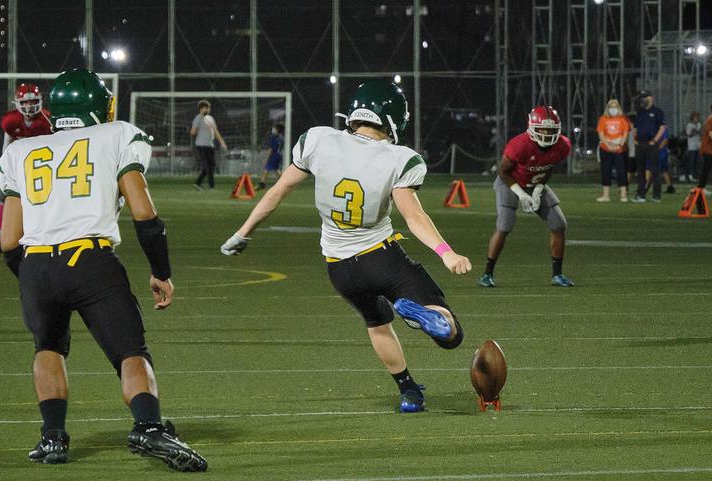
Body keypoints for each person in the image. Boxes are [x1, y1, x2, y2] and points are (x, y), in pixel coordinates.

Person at [0, 69, 207, 472]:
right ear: (98, 105)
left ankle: (52, 438)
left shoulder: (20, 151)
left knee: (48, 347)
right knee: (130, 351)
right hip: (90, 259)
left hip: (37, 263)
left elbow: (9, 240)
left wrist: (32, 277)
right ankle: (148, 426)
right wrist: (161, 270)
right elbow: (144, 211)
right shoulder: (115, 135)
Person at [219, 80, 471, 413]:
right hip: (380, 258)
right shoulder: (397, 158)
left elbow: (277, 192)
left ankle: (409, 392)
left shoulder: (319, 140)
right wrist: (446, 252)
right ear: (394, 118)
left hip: (339, 268)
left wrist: (243, 232)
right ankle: (430, 317)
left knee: (377, 323)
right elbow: (413, 215)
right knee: (452, 336)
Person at [478, 105, 574, 288]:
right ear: (531, 128)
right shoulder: (519, 145)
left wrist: (538, 191)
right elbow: (503, 172)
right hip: (510, 183)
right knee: (505, 224)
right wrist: (521, 195)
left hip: (534, 183)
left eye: (550, 131)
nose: (546, 135)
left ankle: (557, 275)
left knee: (559, 224)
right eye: (542, 130)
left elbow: (547, 168)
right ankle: (487, 274)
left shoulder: (563, 145)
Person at [0, 83, 52, 254]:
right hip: (19, 168)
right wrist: (6, 169)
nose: (29, 106)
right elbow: (6, 147)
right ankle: (0, 239)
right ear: (18, 103)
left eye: (33, 102)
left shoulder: (48, 120)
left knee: (46, 201)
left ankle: (46, 237)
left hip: (43, 168)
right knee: (5, 199)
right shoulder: (11, 121)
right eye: (26, 102)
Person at [631, 90, 666, 203]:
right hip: (640, 143)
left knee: (655, 170)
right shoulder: (640, 112)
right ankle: (641, 195)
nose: (643, 99)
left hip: (651, 143)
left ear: (651, 98)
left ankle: (656, 195)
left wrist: (655, 140)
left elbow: (662, 127)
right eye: (642, 97)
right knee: (640, 170)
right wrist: (635, 140)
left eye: (645, 97)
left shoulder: (657, 112)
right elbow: (635, 127)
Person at [596, 98, 629, 203]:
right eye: (611, 107)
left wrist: (620, 144)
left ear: (618, 108)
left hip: (619, 149)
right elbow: (601, 133)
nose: (613, 109)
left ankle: (623, 194)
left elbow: (625, 133)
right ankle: (606, 195)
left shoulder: (622, 119)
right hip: (605, 149)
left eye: (615, 107)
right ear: (608, 108)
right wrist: (608, 145)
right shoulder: (603, 119)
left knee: (621, 171)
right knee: (606, 171)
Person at [190, 99, 227, 190]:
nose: (209, 110)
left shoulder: (210, 118)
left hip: (209, 145)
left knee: (212, 165)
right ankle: (211, 187)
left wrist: (222, 142)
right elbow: (192, 132)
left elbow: (215, 131)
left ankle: (198, 183)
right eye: (207, 108)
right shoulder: (198, 118)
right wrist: (198, 129)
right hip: (201, 145)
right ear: (202, 109)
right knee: (208, 166)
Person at [258, 123, 284, 190]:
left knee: (266, 168)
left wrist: (266, 158)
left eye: (274, 128)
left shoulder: (274, 138)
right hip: (279, 156)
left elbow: (271, 149)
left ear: (277, 129)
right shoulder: (281, 138)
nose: (273, 129)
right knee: (276, 169)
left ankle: (262, 183)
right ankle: (283, 180)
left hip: (273, 156)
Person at [681, 111, 701, 182]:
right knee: (691, 161)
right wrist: (694, 132)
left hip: (698, 145)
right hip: (691, 146)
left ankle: (695, 175)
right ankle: (689, 175)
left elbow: (701, 133)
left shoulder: (699, 124)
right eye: (695, 117)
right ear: (692, 118)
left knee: (697, 161)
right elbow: (689, 135)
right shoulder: (689, 125)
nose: (697, 119)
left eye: (698, 117)